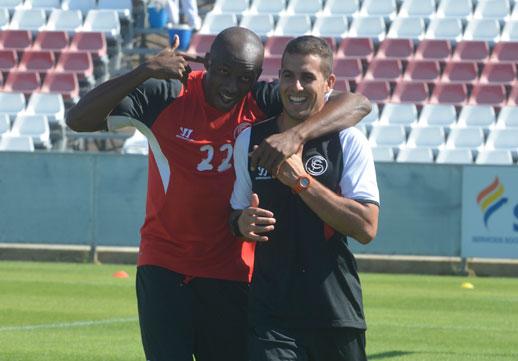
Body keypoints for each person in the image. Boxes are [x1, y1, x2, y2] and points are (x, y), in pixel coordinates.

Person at [66, 27, 371, 361]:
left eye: (243, 77)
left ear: (256, 77)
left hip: (232, 271)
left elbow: (357, 103)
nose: (231, 86)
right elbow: (78, 120)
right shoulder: (165, 95)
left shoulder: (262, 100)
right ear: (207, 62)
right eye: (223, 72)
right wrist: (144, 71)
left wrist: (295, 135)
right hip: (165, 266)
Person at [230, 35, 380, 361]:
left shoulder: (348, 141)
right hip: (271, 316)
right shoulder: (251, 140)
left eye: (307, 77)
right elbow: (235, 213)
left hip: (334, 312)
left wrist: (301, 181)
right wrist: (241, 223)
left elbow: (366, 228)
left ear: (329, 83)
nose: (295, 87)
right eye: (287, 75)